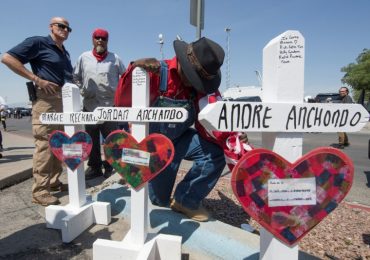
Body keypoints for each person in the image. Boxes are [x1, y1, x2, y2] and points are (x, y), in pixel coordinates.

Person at [114, 37, 251, 222]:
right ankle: (141, 182)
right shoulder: (155, 73)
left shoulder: (199, 87)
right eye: (194, 77)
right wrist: (133, 71)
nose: (196, 84)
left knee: (216, 152)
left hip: (180, 140)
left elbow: (211, 121)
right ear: (183, 63)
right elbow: (121, 105)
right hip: (153, 149)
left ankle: (186, 200)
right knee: (158, 201)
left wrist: (232, 137)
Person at [1, 17, 73, 206]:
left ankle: (54, 182)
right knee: (45, 143)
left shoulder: (64, 51)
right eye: (61, 26)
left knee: (59, 142)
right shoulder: (39, 42)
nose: (65, 29)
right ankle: (40, 191)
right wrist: (36, 79)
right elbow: (7, 58)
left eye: (68, 28)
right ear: (51, 27)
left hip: (62, 99)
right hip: (46, 99)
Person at [73, 28, 126, 179]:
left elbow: (124, 77)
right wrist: (83, 90)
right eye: (97, 38)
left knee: (111, 140)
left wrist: (119, 96)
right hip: (89, 107)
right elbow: (75, 76)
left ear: (107, 41)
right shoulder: (84, 57)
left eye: (103, 38)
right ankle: (94, 167)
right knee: (91, 139)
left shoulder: (115, 58)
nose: (100, 40)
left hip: (109, 107)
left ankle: (111, 166)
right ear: (92, 39)